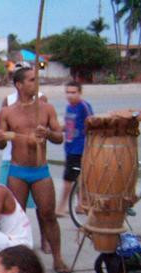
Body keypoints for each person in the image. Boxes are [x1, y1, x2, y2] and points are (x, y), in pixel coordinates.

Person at [0, 67, 69, 273]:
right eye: (31, 80)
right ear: (19, 85)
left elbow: (59, 137)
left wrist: (47, 133)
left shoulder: (46, 109)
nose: (36, 83)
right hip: (17, 170)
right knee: (16, 217)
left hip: (40, 170)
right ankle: (18, 261)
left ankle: (58, 258)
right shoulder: (7, 111)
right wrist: (0, 137)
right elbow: (0, 145)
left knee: (48, 214)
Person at [56, 81, 93, 217]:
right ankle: (81, 204)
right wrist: (57, 129)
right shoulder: (69, 107)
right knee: (78, 177)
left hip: (80, 148)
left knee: (68, 179)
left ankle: (61, 207)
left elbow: (92, 123)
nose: (70, 95)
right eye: (68, 92)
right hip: (70, 147)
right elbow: (68, 125)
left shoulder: (83, 106)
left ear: (80, 93)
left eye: (73, 92)